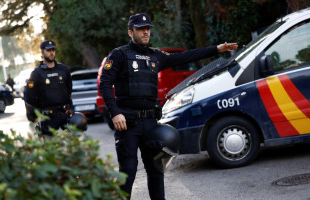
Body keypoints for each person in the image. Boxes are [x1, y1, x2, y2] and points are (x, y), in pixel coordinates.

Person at [99, 13, 238, 200]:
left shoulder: (156, 56)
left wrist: (216, 49)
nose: (146, 31)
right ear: (130, 31)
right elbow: (105, 84)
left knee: (156, 171)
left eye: (148, 28)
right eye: (141, 29)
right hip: (128, 124)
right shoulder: (120, 55)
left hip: (150, 124)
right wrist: (115, 113)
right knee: (128, 172)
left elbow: (185, 56)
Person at [25, 40, 74, 137]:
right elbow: (30, 96)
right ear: (42, 52)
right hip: (48, 117)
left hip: (65, 113)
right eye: (48, 50)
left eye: (53, 50)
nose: (52, 52)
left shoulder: (64, 69)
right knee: (50, 147)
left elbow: (69, 89)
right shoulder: (36, 73)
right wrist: (40, 110)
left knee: (74, 144)